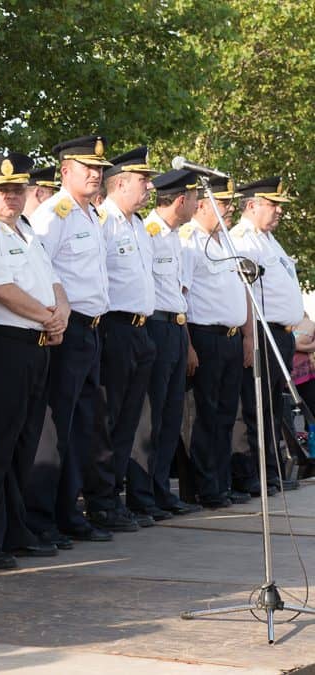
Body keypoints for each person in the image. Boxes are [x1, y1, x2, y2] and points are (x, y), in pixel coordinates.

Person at [0, 152, 69, 569]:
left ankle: (14, 529)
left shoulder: (26, 229)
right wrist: (48, 317)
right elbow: (0, 289)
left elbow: (53, 280)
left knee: (25, 442)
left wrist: (60, 313)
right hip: (2, 344)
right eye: (1, 190)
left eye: (17, 190)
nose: (10, 197)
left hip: (37, 342)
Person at [28, 135, 113, 546]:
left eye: (99, 169)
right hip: (67, 328)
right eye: (87, 169)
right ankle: (43, 517)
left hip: (92, 328)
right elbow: (40, 271)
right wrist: (55, 317)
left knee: (82, 427)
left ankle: (68, 512)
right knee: (56, 426)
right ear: (65, 171)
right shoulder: (54, 214)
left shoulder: (90, 215)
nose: (96, 175)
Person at [84, 147, 160, 532]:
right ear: (119, 183)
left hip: (141, 329)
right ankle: (100, 502)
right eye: (142, 180)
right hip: (114, 327)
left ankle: (115, 496)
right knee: (108, 419)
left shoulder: (137, 224)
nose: (149, 186)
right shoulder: (103, 222)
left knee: (129, 420)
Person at [126, 169, 202, 518]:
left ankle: (159, 490)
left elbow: (180, 296)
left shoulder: (176, 237)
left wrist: (186, 343)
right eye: (195, 198)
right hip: (152, 325)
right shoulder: (149, 232)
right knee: (150, 416)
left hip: (175, 327)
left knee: (171, 415)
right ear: (181, 200)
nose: (199, 205)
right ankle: (141, 495)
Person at [231, 177, 302, 496]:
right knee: (254, 408)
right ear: (252, 205)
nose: (279, 212)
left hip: (281, 335)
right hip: (262, 332)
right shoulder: (243, 240)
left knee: (274, 408)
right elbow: (244, 293)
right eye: (273, 205)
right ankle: (254, 474)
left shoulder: (269, 240)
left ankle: (272, 470)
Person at [181, 176, 249, 509]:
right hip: (205, 336)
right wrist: (189, 346)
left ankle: (221, 482)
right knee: (205, 415)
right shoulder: (189, 240)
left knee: (225, 413)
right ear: (203, 205)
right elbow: (181, 296)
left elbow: (241, 291)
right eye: (224, 204)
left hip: (232, 338)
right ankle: (205, 486)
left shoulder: (229, 242)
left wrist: (247, 337)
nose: (230, 209)